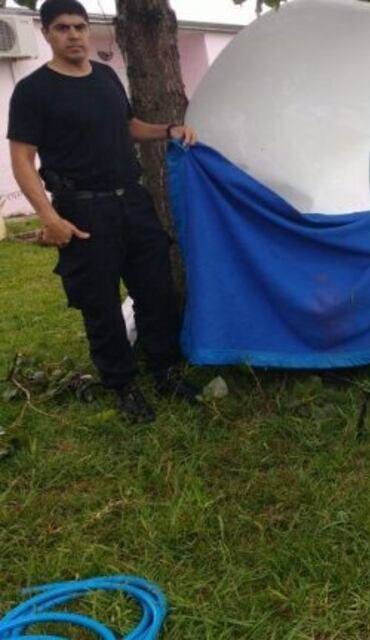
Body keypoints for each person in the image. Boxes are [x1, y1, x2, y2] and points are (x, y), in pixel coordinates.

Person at [7, 0, 199, 423]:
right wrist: (49, 217)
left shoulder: (107, 76)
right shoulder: (33, 90)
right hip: (82, 208)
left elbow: (128, 126)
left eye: (79, 26)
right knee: (100, 303)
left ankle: (164, 368)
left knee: (156, 288)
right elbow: (22, 158)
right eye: (62, 28)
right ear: (46, 34)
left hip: (132, 199)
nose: (73, 35)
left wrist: (168, 130)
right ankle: (123, 385)